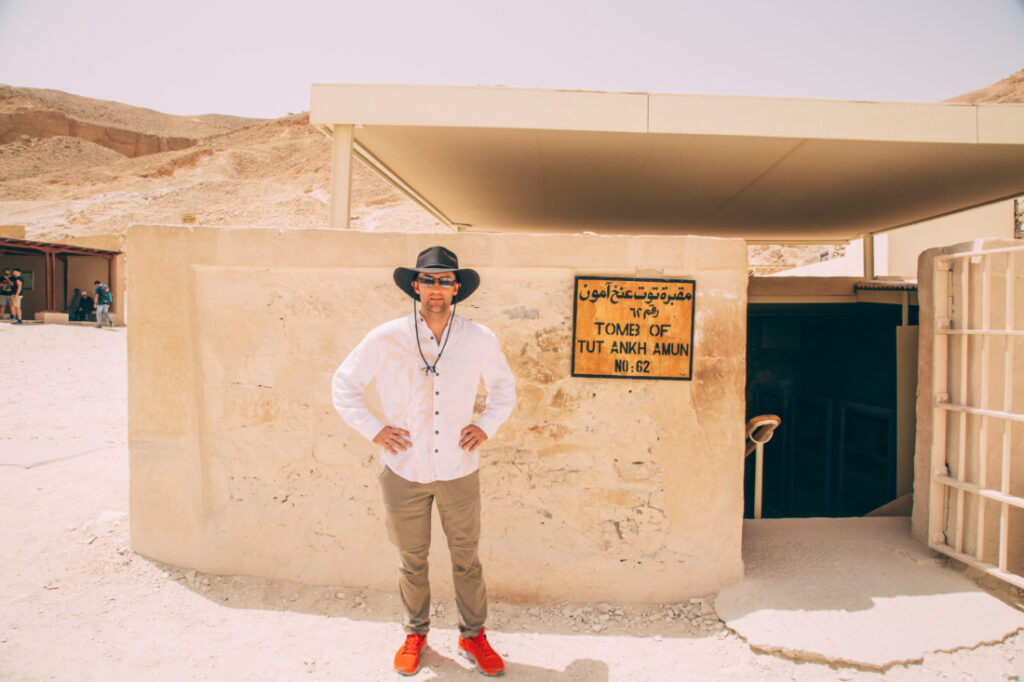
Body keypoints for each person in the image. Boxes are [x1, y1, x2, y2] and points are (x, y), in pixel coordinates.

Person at [332, 246, 516, 677]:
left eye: (445, 280)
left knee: (466, 558)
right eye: (429, 280)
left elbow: (504, 390)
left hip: (458, 469)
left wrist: (486, 425)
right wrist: (374, 429)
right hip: (403, 470)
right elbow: (344, 385)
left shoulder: (478, 338)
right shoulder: (386, 336)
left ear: (457, 288)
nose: (437, 288)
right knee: (411, 559)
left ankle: (473, 635)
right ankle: (415, 633)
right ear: (415, 285)